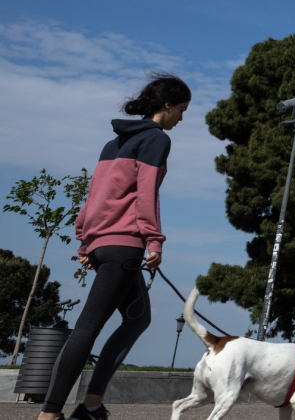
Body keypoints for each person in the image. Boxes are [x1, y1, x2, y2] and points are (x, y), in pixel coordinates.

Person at [37, 74, 191, 420]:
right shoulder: (155, 140)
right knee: (88, 327)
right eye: (181, 109)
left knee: (138, 320)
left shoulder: (114, 143)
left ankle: (91, 405)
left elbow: (95, 193)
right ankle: (49, 415)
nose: (182, 117)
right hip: (124, 245)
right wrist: (154, 239)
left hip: (101, 243)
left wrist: (84, 238)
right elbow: (146, 192)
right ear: (166, 106)